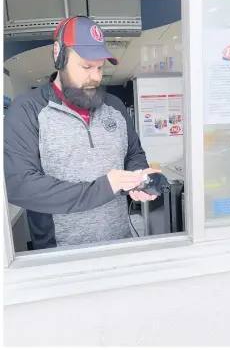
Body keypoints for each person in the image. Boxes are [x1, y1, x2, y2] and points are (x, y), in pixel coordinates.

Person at [4, 16, 160, 250]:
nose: (95, 77)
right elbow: (19, 185)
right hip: (60, 253)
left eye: (100, 67)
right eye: (86, 66)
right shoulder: (27, 110)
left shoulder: (115, 106)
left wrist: (137, 179)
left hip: (120, 242)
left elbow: (133, 153)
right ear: (59, 55)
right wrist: (103, 188)